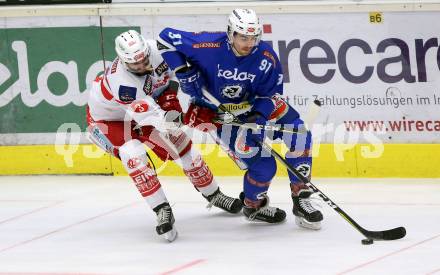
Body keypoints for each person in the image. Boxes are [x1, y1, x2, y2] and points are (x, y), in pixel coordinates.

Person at [157, 9, 323, 229]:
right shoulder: (207, 45)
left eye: (254, 37)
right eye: (243, 37)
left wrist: (259, 116)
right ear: (230, 33)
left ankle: (301, 199)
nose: (249, 43)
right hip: (221, 115)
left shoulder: (266, 57)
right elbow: (164, 38)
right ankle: (254, 207)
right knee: (264, 166)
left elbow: (270, 95)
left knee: (300, 135)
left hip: (255, 106)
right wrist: (183, 70)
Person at [86, 30, 243, 242]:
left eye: (144, 60)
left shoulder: (155, 49)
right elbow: (158, 119)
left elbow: (171, 78)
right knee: (133, 155)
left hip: (146, 108)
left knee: (181, 144)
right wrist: (187, 117)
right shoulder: (122, 84)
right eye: (135, 65)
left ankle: (214, 195)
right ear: (123, 61)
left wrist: (177, 102)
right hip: (110, 121)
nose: (142, 66)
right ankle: (161, 209)